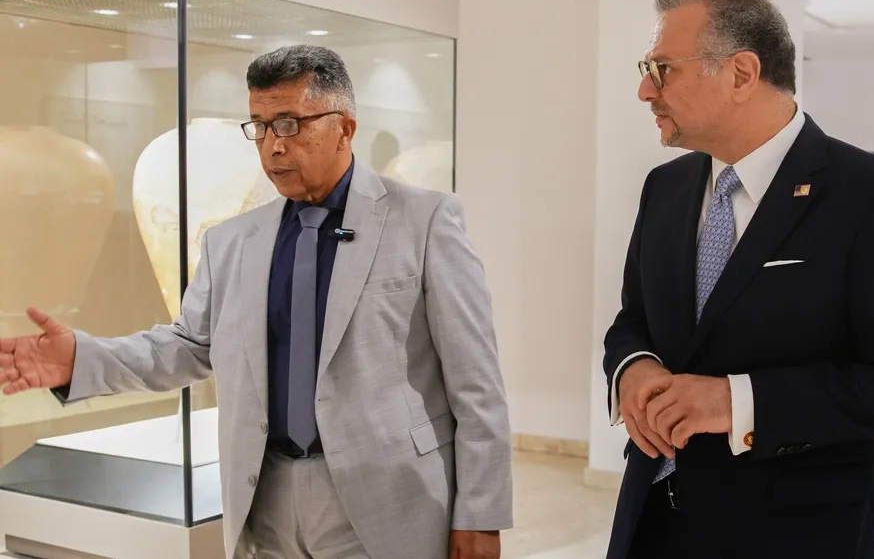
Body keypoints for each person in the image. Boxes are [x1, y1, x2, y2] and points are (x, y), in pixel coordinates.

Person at [0, 45, 513, 559]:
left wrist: (481, 515)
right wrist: (81, 360)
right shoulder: (231, 242)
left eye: (289, 124)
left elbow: (477, 383)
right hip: (265, 500)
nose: (273, 147)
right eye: (260, 127)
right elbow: (187, 347)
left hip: (388, 499)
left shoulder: (425, 222)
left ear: (345, 127)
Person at [603, 0, 874, 559]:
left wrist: (738, 402)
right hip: (653, 520)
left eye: (662, 69)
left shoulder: (870, 194)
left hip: (793, 533)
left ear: (741, 73)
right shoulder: (665, 187)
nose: (645, 90)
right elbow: (633, 319)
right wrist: (632, 368)